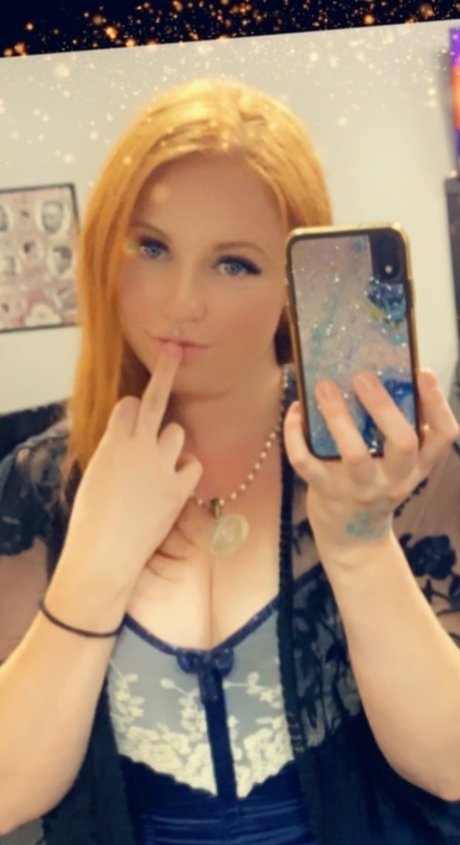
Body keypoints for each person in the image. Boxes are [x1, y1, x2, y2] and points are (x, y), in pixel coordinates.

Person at [0, 78, 459, 845]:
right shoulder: (40, 483)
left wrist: (359, 541)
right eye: (151, 247)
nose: (182, 301)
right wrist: (94, 567)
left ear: (294, 282)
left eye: (234, 264)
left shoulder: (391, 466)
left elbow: (451, 765)